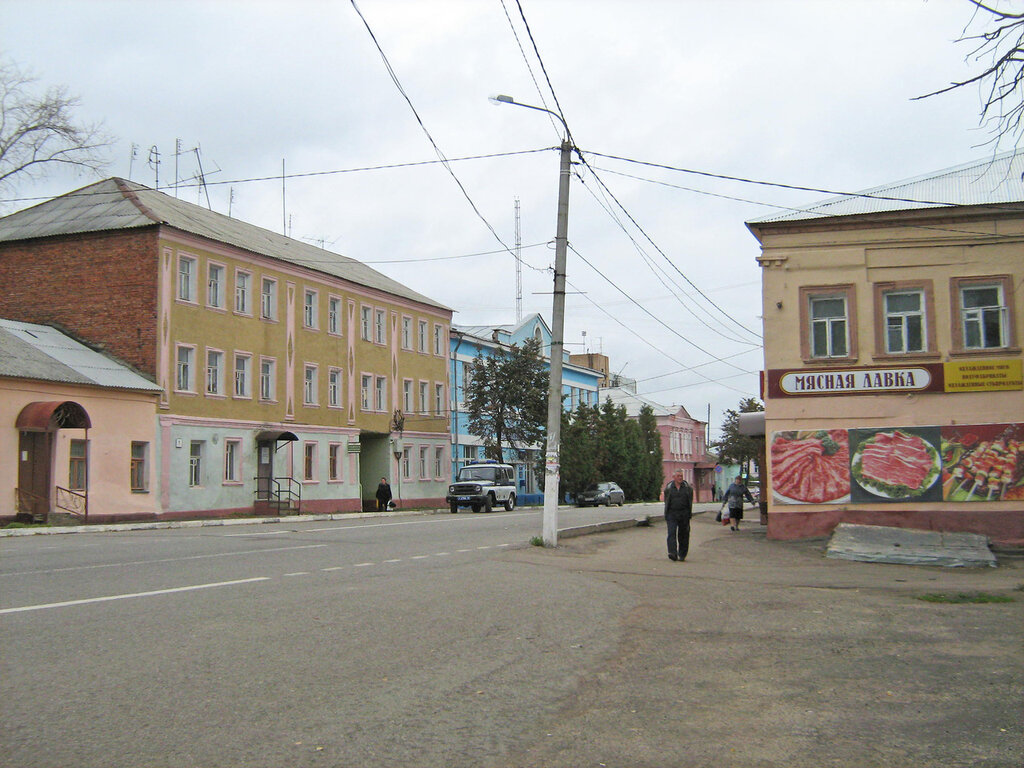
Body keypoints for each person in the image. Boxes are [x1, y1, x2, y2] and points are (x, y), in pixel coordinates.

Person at [663, 470, 693, 561]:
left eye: (681, 476)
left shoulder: (687, 488)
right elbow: (666, 500)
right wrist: (667, 513)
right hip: (672, 513)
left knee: (683, 534)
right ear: (674, 477)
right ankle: (673, 553)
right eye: (678, 476)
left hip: (684, 514)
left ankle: (682, 554)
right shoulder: (669, 488)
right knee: (671, 533)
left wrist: (689, 513)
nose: (680, 477)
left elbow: (690, 501)